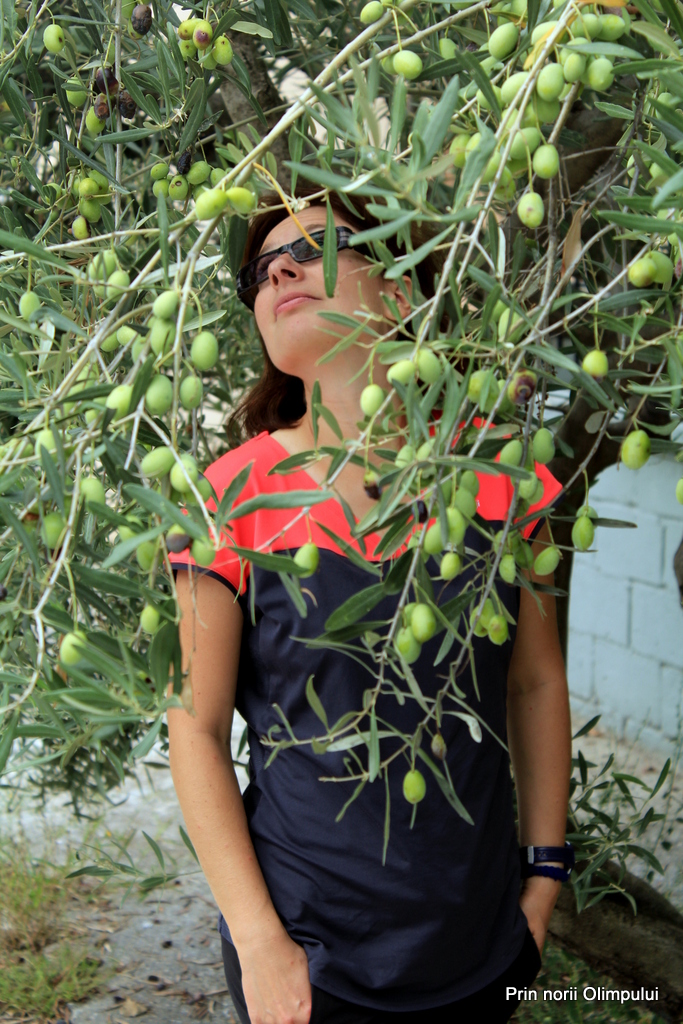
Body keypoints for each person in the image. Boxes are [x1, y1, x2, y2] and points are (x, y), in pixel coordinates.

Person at [165, 184, 573, 1024]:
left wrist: (542, 879)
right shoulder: (227, 501)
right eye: (259, 272)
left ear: (403, 282)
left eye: (312, 247)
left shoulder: (498, 478)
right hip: (309, 955)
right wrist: (259, 941)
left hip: (480, 937)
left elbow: (533, 684)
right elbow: (193, 732)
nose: (279, 274)